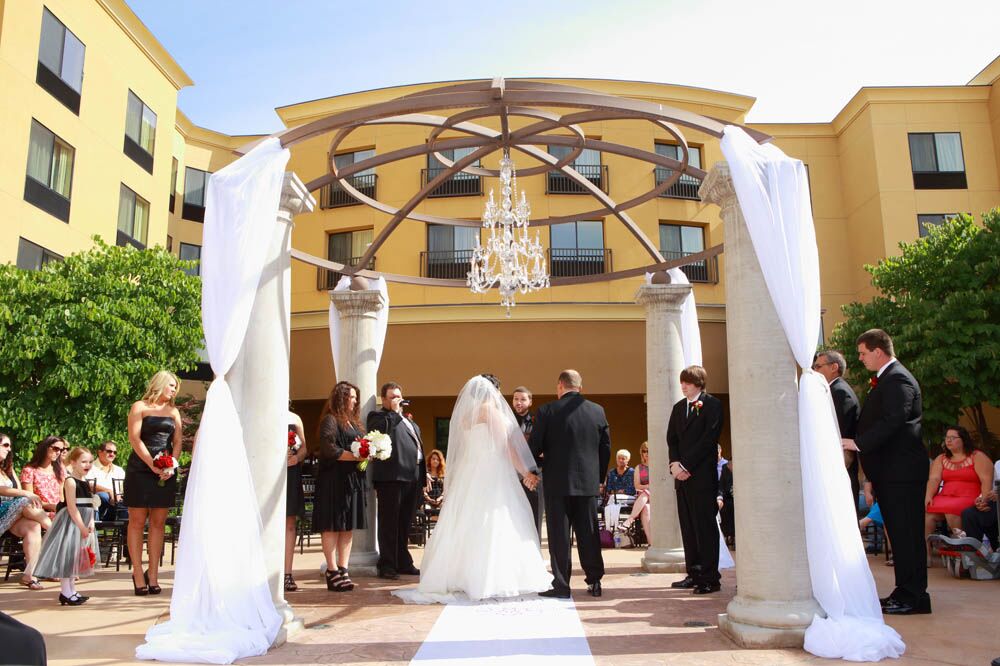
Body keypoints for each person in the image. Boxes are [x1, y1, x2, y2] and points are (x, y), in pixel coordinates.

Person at [393, 375, 547, 603]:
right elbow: (505, 447)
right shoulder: (491, 412)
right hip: (493, 473)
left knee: (469, 522)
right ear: (493, 392)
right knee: (495, 521)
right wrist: (526, 473)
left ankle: (461, 575)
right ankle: (489, 578)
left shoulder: (466, 416)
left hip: (473, 472)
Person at [842, 329, 930, 615]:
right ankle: (905, 591)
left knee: (907, 535)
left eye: (863, 353)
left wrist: (858, 443)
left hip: (902, 473)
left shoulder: (899, 378)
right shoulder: (888, 379)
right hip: (891, 473)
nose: (861, 358)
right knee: (900, 534)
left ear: (878, 351)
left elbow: (896, 419)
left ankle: (913, 596)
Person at [531, 369, 610, 598]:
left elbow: (535, 445)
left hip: (557, 483)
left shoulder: (546, 411)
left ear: (559, 386)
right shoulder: (597, 411)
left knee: (559, 536)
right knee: (589, 533)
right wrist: (598, 477)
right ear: (580, 387)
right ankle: (594, 581)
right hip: (587, 484)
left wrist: (535, 467)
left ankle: (562, 585)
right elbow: (605, 448)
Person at [123, 370, 183, 597]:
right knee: (137, 522)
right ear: (159, 384)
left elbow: (177, 441)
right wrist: (151, 464)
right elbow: (134, 438)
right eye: (171, 385)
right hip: (141, 468)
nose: (174, 390)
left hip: (165, 470)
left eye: (175, 386)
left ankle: (154, 575)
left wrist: (171, 465)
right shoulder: (139, 406)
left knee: (158, 523)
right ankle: (138, 573)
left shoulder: (174, 411)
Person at [667, 365, 724, 595]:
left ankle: (711, 577)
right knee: (688, 526)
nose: (683, 386)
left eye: (687, 383)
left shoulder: (713, 405)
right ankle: (694, 572)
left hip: (702, 476)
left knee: (705, 528)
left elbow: (709, 439)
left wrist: (686, 465)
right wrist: (674, 464)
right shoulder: (679, 408)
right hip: (682, 478)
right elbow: (672, 439)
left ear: (699, 384)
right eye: (682, 382)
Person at [368, 381, 425, 580]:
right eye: (392, 397)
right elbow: (379, 432)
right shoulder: (379, 417)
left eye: (398, 396)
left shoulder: (408, 420)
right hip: (392, 477)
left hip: (413, 475)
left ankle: (403, 561)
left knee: (405, 522)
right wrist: (393, 411)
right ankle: (387, 564)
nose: (396, 400)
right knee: (389, 523)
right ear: (383, 399)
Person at [314, 381, 366, 592]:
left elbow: (360, 448)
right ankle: (332, 570)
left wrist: (369, 453)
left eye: (355, 398)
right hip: (333, 481)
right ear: (341, 398)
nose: (354, 401)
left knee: (347, 526)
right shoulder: (330, 420)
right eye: (351, 397)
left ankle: (344, 569)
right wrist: (354, 456)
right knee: (332, 525)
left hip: (351, 481)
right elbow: (328, 448)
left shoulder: (354, 424)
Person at [34, 447, 100, 606]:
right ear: (73, 462)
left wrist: (90, 522)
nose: (88, 465)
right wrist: (81, 526)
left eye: (90, 462)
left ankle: (72, 590)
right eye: (83, 461)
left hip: (83, 522)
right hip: (71, 523)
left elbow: (90, 505)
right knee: (68, 557)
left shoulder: (85, 482)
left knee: (76, 557)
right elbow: (71, 507)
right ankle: (65, 591)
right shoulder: (70, 481)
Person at [925, 426, 994, 550]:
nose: (948, 440)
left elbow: (986, 480)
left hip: (969, 496)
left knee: (951, 510)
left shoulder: (977, 456)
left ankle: (963, 550)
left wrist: (984, 499)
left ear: (963, 440)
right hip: (945, 496)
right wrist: (928, 496)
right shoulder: (941, 458)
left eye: (953, 438)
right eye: (946, 438)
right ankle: (926, 555)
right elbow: (934, 479)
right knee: (927, 514)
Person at [0, 433, 52, 590]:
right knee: (25, 500)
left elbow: (17, 489)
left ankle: (29, 574)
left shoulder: (7, 468)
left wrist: (24, 495)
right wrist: (26, 493)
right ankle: (54, 531)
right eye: (5, 445)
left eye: (10, 446)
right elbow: (9, 491)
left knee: (33, 527)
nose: (9, 449)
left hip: (12, 513)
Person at [813, 350, 861, 513]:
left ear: (834, 367)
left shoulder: (839, 392)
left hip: (839, 466)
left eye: (818, 366)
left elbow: (837, 431)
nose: (814, 370)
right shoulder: (833, 390)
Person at [512, 385, 544, 540]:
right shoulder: (506, 420)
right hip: (510, 474)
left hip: (534, 474)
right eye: (516, 399)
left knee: (534, 513)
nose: (519, 403)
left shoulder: (538, 421)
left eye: (523, 399)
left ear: (530, 401)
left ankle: (535, 551)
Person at [284, 408, 307, 592]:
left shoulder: (295, 417)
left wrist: (296, 458)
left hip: (291, 473)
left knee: (289, 522)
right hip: (267, 474)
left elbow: (304, 448)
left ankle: (287, 573)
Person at [20, 436, 67, 516]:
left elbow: (61, 496)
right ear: (45, 448)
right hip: (40, 512)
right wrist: (51, 506)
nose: (59, 452)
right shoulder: (29, 470)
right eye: (56, 448)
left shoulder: (60, 470)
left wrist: (61, 508)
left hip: (59, 511)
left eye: (61, 450)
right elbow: (30, 498)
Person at [960, 458, 999, 547]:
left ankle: (996, 546)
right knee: (969, 513)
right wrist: (982, 500)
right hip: (995, 503)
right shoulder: (998, 464)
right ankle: (974, 551)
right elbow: (992, 487)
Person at [85, 441, 126, 522]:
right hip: (97, 505)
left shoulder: (119, 470)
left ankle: (125, 533)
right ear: (99, 452)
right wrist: (109, 492)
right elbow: (88, 484)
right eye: (109, 451)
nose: (112, 454)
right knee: (103, 496)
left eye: (115, 452)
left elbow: (124, 490)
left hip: (116, 505)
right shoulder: (89, 467)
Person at [622, 442, 651, 541]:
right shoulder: (639, 468)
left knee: (646, 492)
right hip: (644, 499)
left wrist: (649, 488)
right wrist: (649, 486)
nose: (646, 453)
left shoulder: (659, 466)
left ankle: (630, 519)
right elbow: (637, 485)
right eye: (644, 451)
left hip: (657, 497)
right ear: (641, 453)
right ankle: (651, 542)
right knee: (646, 508)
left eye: (648, 451)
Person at [717, 444, 735, 546]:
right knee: (725, 506)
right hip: (727, 498)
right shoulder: (725, 468)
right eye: (730, 464)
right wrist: (720, 498)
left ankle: (734, 536)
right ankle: (729, 535)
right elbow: (722, 486)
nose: (730, 466)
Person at [423, 449, 445, 520]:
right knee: (426, 508)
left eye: (438, 459)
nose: (435, 461)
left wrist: (440, 498)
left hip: (439, 501)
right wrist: (429, 499)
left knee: (446, 510)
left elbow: (445, 490)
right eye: (433, 459)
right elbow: (423, 490)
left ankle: (431, 518)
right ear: (430, 460)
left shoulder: (442, 475)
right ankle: (431, 518)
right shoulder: (425, 474)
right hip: (427, 501)